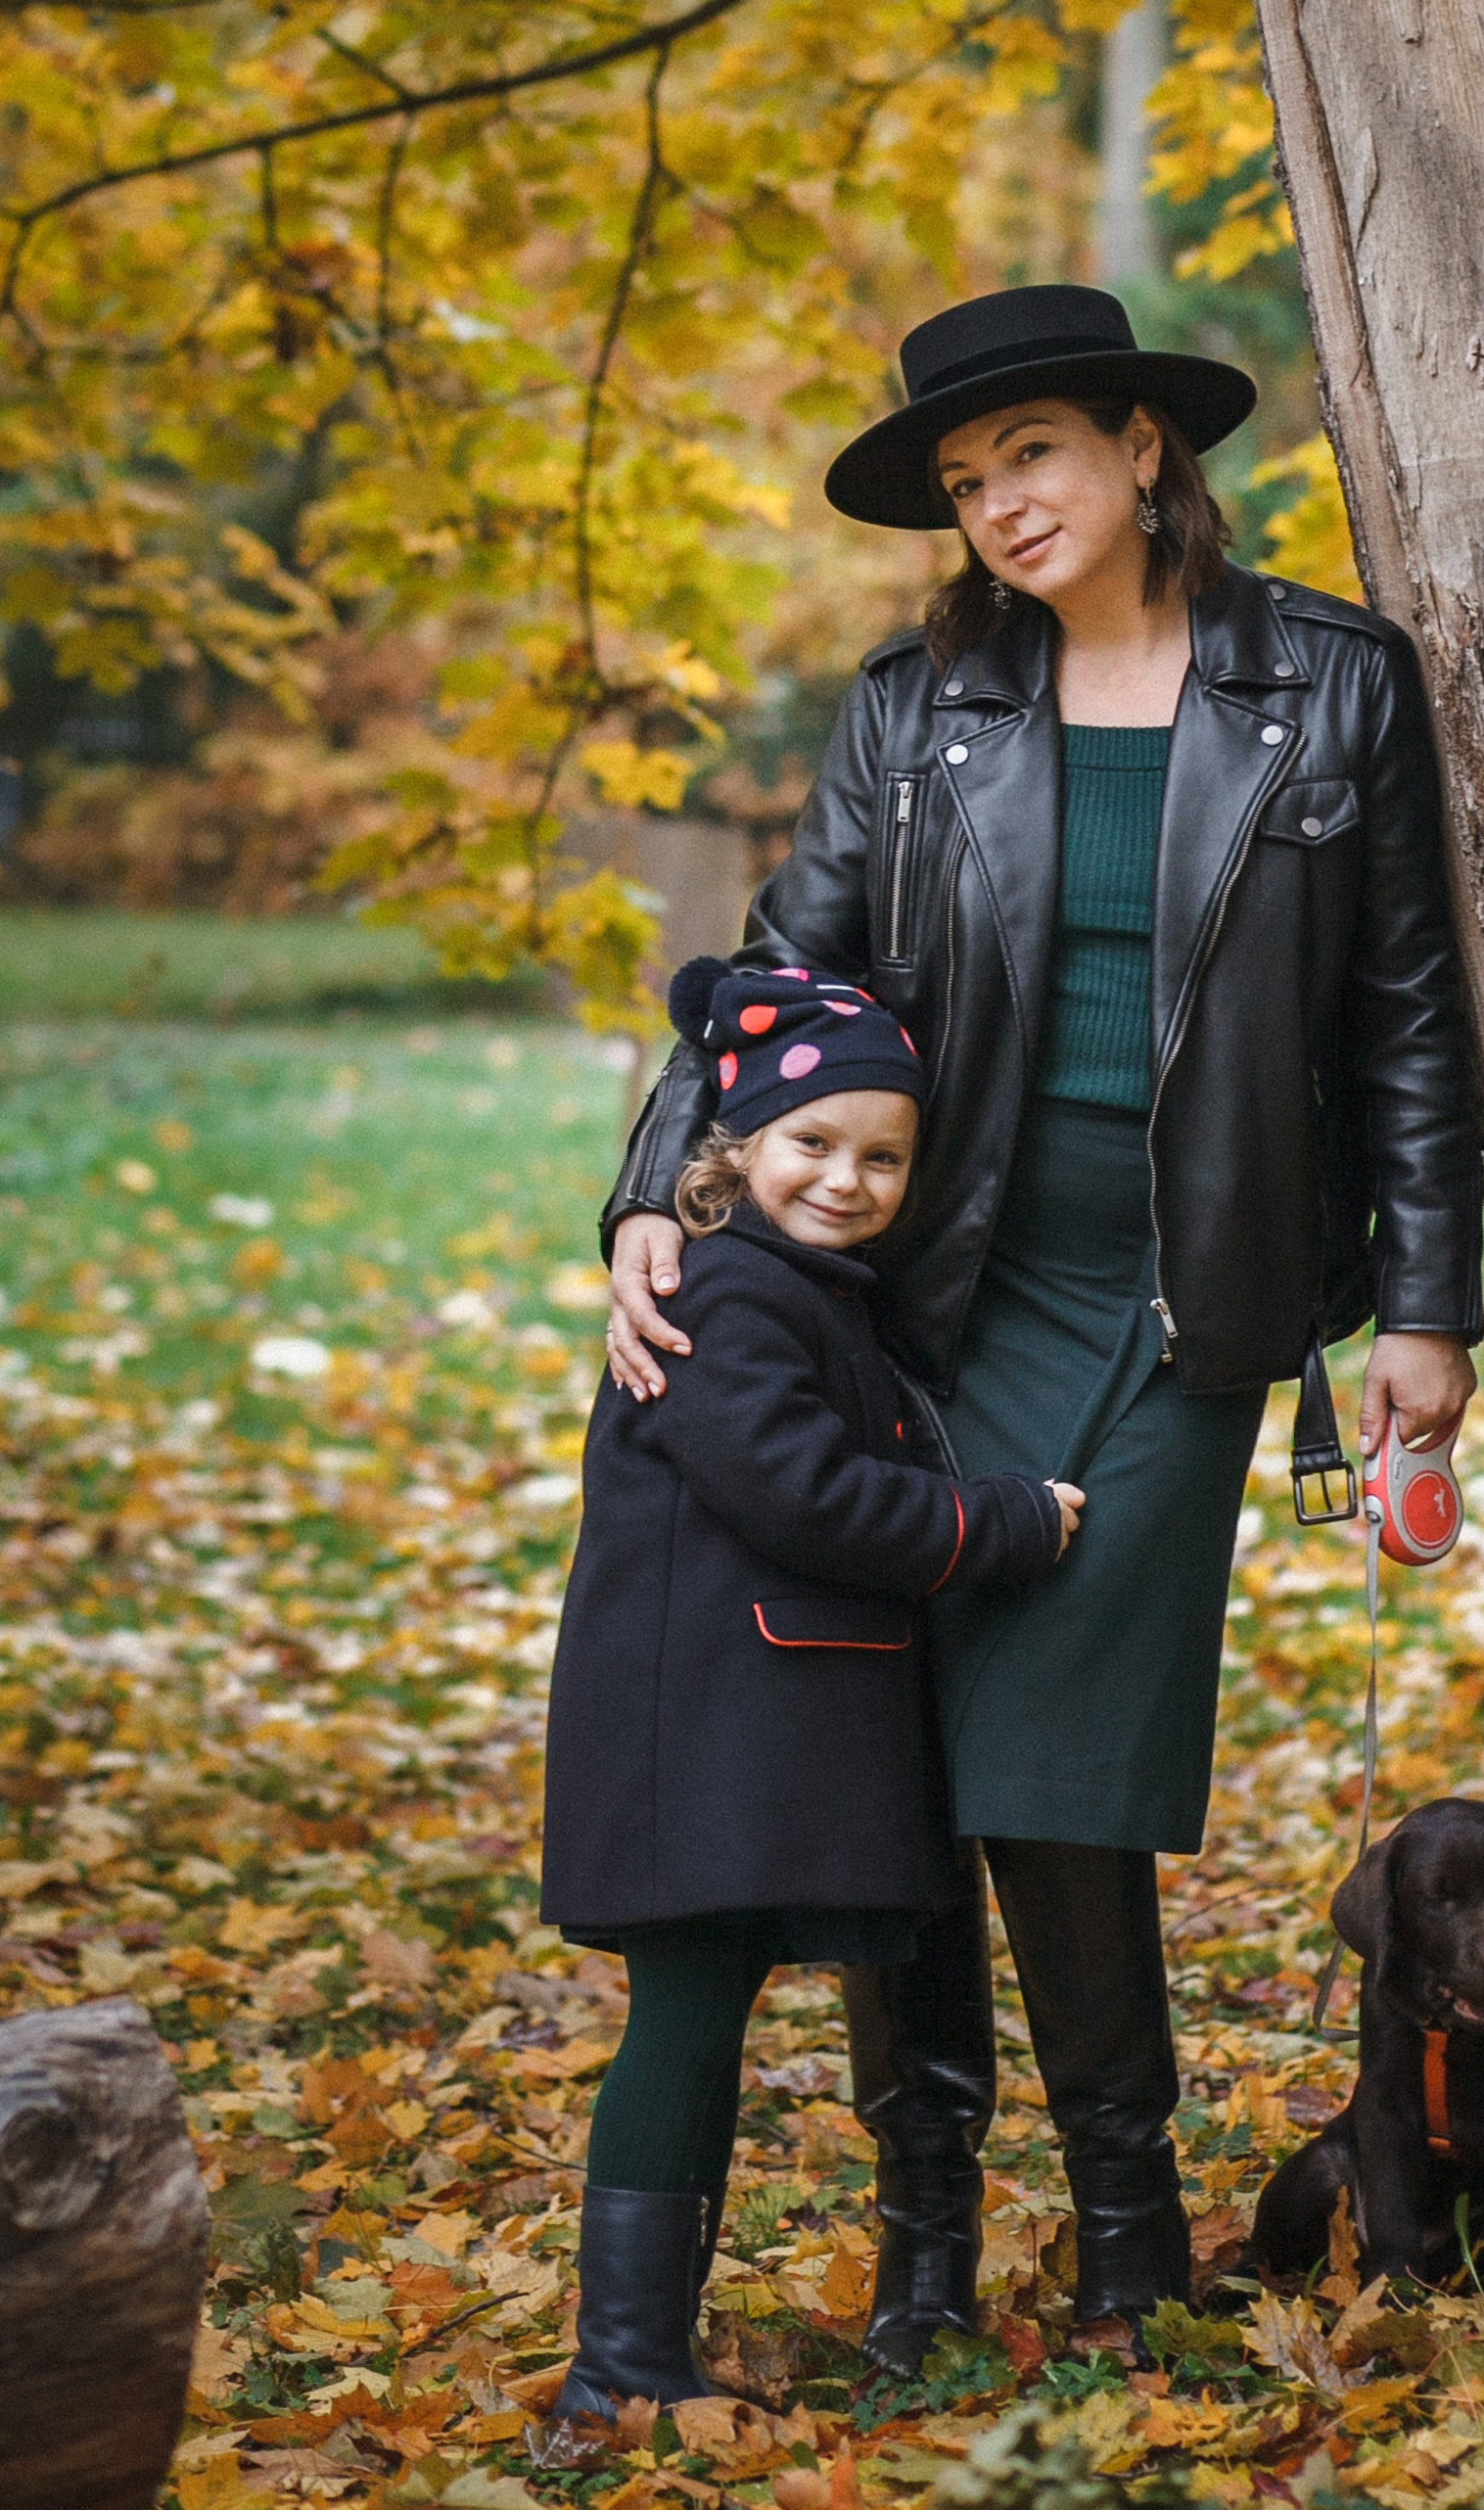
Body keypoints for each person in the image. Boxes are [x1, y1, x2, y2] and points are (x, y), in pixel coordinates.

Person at [598, 281, 1484, 2367]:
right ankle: (924, 2242)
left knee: (1056, 1764)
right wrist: (653, 1194)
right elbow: (772, 971)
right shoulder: (916, 713)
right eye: (967, 481)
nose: (1002, 506)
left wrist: (1431, 1310)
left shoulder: (1330, 688)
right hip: (926, 1302)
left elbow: (1412, 1017)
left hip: (1197, 1304)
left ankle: (1121, 2232)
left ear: (1141, 451)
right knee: (894, 1755)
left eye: (1037, 457)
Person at [540, 957, 1082, 2432]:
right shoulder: (725, 1292)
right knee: (686, 2013)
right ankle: (619, 2362)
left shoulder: (806, 1290)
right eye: (812, 1146)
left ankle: (645, 2350)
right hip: (699, 1729)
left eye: (883, 1155)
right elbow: (802, 1493)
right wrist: (996, 1524)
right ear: (733, 1151)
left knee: (706, 2011)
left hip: (752, 1727)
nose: (847, 1179)